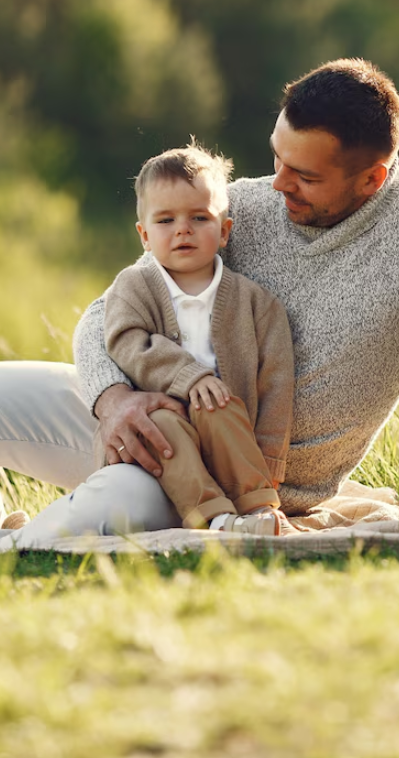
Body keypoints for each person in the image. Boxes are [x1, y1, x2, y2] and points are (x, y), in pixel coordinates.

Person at [0, 58, 399, 545]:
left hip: (229, 482)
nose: (277, 184)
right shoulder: (237, 208)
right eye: (276, 157)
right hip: (132, 416)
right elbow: (105, 315)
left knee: (116, 505)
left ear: (372, 179)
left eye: (304, 176)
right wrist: (114, 400)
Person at [101, 142, 293, 536]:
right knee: (163, 423)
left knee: (219, 404)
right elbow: (126, 340)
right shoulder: (134, 286)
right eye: (166, 220)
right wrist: (190, 377)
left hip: (226, 422)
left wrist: (270, 460)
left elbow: (276, 382)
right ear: (144, 235)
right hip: (162, 422)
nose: (182, 229)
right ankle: (213, 517)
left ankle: (259, 511)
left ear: (224, 231)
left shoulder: (256, 303)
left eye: (199, 218)